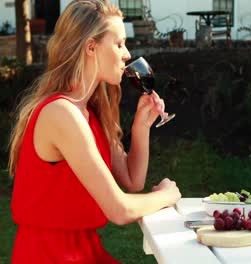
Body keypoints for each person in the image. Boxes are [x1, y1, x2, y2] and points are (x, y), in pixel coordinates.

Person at [8, 0, 181, 262]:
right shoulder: (61, 114)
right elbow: (120, 210)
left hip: (84, 250)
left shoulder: (91, 111)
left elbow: (133, 180)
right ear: (91, 47)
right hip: (50, 255)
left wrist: (141, 126)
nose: (127, 54)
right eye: (119, 43)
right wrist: (167, 196)